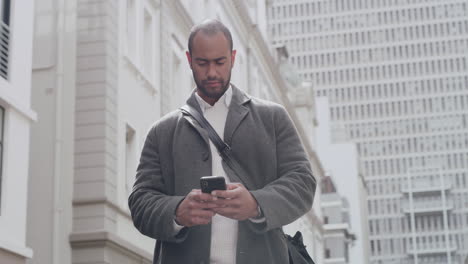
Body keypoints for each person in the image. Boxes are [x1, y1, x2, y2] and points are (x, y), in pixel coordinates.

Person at [128, 19, 316, 264]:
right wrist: (177, 211)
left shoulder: (273, 117)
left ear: (233, 57)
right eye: (202, 63)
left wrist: (256, 204)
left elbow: (303, 183)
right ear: (189, 60)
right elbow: (141, 202)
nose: (212, 73)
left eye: (220, 62)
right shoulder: (161, 132)